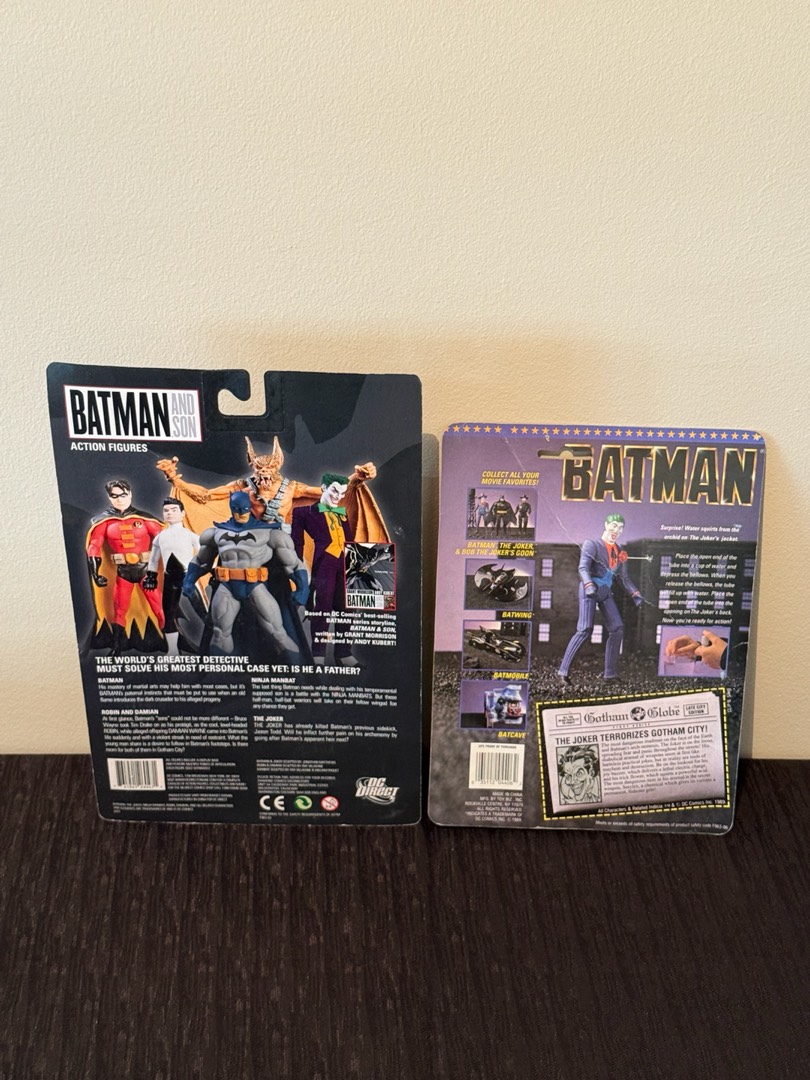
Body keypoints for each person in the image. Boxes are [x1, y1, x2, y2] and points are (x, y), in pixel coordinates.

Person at [156, 436, 387, 540]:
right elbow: (206, 496)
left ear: (277, 467)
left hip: (283, 536)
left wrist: (356, 479)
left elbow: (329, 493)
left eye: (269, 469)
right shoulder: (242, 486)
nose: (264, 473)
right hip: (252, 536)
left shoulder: (292, 488)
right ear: (254, 467)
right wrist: (174, 479)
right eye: (260, 469)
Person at [182, 491, 308, 658]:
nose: (242, 513)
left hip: (255, 586)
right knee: (220, 634)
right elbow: (201, 561)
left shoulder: (269, 533)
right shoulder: (215, 533)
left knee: (277, 633)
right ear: (232, 508)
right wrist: (189, 580)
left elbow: (293, 564)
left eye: (245, 510)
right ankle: (219, 673)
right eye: (238, 510)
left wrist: (303, 589)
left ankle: (297, 670)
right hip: (227, 587)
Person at [558, 513, 643, 685]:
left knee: (617, 628)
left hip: (605, 591)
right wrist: (589, 585)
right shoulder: (592, 545)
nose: (616, 530)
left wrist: (635, 594)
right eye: (614, 526)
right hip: (590, 589)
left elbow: (623, 577)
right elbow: (583, 568)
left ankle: (610, 675)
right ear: (606, 525)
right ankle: (563, 672)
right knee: (585, 629)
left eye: (620, 527)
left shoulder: (620, 551)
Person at [86, 480, 165, 655]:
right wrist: (95, 573)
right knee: (119, 610)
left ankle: (170, 643)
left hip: (146, 572)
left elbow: (165, 542)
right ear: (109, 497)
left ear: (130, 494)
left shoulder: (145, 519)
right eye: (114, 496)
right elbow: (94, 547)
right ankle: (117, 647)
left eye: (123, 495)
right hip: (123, 573)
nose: (119, 499)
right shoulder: (104, 522)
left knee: (159, 607)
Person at [291, 474, 357, 665]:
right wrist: (298, 568)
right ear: (323, 488)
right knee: (323, 607)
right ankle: (318, 654)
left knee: (347, 607)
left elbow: (349, 541)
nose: (338, 496)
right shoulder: (304, 512)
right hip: (324, 563)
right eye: (335, 490)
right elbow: (297, 542)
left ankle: (344, 654)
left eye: (342, 493)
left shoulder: (342, 513)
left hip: (345, 563)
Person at [143, 498, 200, 655]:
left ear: (183, 513)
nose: (169, 513)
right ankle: (173, 651)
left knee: (203, 611)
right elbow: (153, 560)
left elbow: (204, 554)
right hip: (169, 578)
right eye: (166, 510)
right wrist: (151, 576)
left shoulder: (190, 535)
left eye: (174, 510)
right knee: (168, 615)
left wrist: (208, 571)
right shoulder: (160, 537)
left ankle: (212, 646)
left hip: (189, 577)